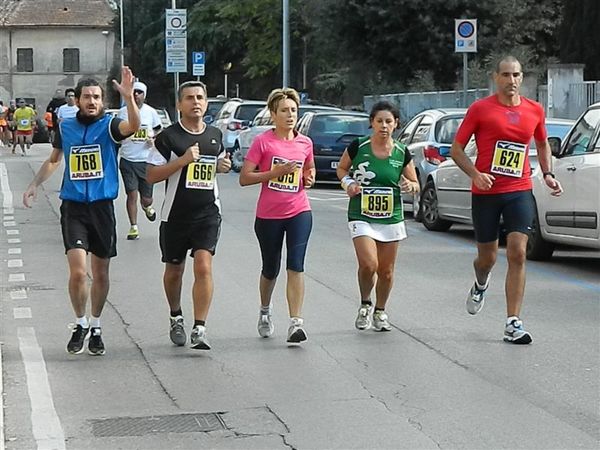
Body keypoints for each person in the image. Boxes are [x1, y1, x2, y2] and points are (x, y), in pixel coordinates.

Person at [22, 67, 140, 356]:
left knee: (100, 273)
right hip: (73, 207)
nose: (92, 101)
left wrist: (128, 98)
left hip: (102, 208)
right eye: (87, 96)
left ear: (102, 101)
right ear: (77, 99)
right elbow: (54, 159)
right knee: (78, 272)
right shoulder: (67, 127)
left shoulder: (110, 126)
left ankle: (96, 324)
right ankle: (80, 322)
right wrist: (35, 183)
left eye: (97, 97)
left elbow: (133, 127)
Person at [450, 56, 563, 345]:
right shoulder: (480, 109)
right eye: (506, 75)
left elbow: (541, 143)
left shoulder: (534, 110)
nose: (511, 80)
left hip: (519, 189)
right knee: (487, 258)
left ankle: (513, 322)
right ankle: (480, 282)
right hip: (486, 193)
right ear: (495, 77)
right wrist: (475, 174)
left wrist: (548, 173)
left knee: (517, 252)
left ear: (521, 78)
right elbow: (457, 149)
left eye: (516, 75)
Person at [146, 81, 231, 350]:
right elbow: (151, 175)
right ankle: (176, 316)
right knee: (174, 271)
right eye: (189, 98)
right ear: (179, 104)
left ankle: (200, 327)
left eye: (200, 97)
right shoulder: (168, 138)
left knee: (204, 264)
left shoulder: (215, 134)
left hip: (207, 212)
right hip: (175, 214)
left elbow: (219, 163)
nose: (195, 102)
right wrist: (181, 161)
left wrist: (221, 166)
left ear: (206, 103)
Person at [239, 87, 316, 344]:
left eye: (294, 110)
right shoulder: (263, 142)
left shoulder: (305, 142)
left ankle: (296, 322)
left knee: (296, 264)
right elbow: (244, 177)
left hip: (299, 211)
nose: (290, 115)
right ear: (273, 114)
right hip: (269, 214)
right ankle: (265, 310)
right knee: (271, 268)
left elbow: (309, 168)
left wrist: (310, 176)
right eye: (284, 110)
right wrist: (275, 173)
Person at [336, 100, 419, 332]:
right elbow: (341, 169)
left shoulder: (402, 152)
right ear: (371, 123)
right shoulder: (358, 146)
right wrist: (349, 183)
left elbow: (414, 183)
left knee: (386, 270)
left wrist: (410, 185)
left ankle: (380, 311)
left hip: (390, 216)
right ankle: (365, 303)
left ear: (396, 124)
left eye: (388, 122)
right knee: (368, 264)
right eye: (379, 121)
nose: (384, 126)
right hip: (361, 213)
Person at [118, 81, 161, 240]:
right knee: (131, 194)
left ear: (144, 95)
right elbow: (117, 132)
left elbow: (157, 129)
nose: (136, 95)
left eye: (139, 92)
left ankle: (147, 206)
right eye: (134, 92)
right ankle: (133, 227)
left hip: (146, 160)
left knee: (146, 198)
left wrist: (153, 140)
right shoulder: (123, 113)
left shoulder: (151, 112)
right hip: (128, 159)